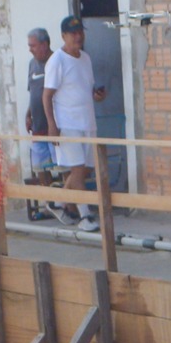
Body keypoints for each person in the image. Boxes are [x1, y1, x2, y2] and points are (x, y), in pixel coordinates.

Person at [43, 15, 106, 231]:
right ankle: (84, 216)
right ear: (63, 36)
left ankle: (58, 203)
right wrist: (52, 125)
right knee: (77, 169)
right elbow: (47, 95)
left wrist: (96, 95)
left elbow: (84, 88)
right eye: (73, 33)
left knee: (85, 169)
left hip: (87, 121)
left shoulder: (85, 58)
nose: (78, 36)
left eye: (80, 32)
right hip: (67, 124)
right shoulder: (57, 61)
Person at [21, 28, 59, 216]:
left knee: (62, 166)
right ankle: (50, 205)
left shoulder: (56, 62)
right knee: (41, 168)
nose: (30, 50)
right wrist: (28, 114)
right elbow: (33, 93)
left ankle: (69, 204)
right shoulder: (31, 65)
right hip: (38, 127)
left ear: (45, 45)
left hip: (55, 126)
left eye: (33, 46)